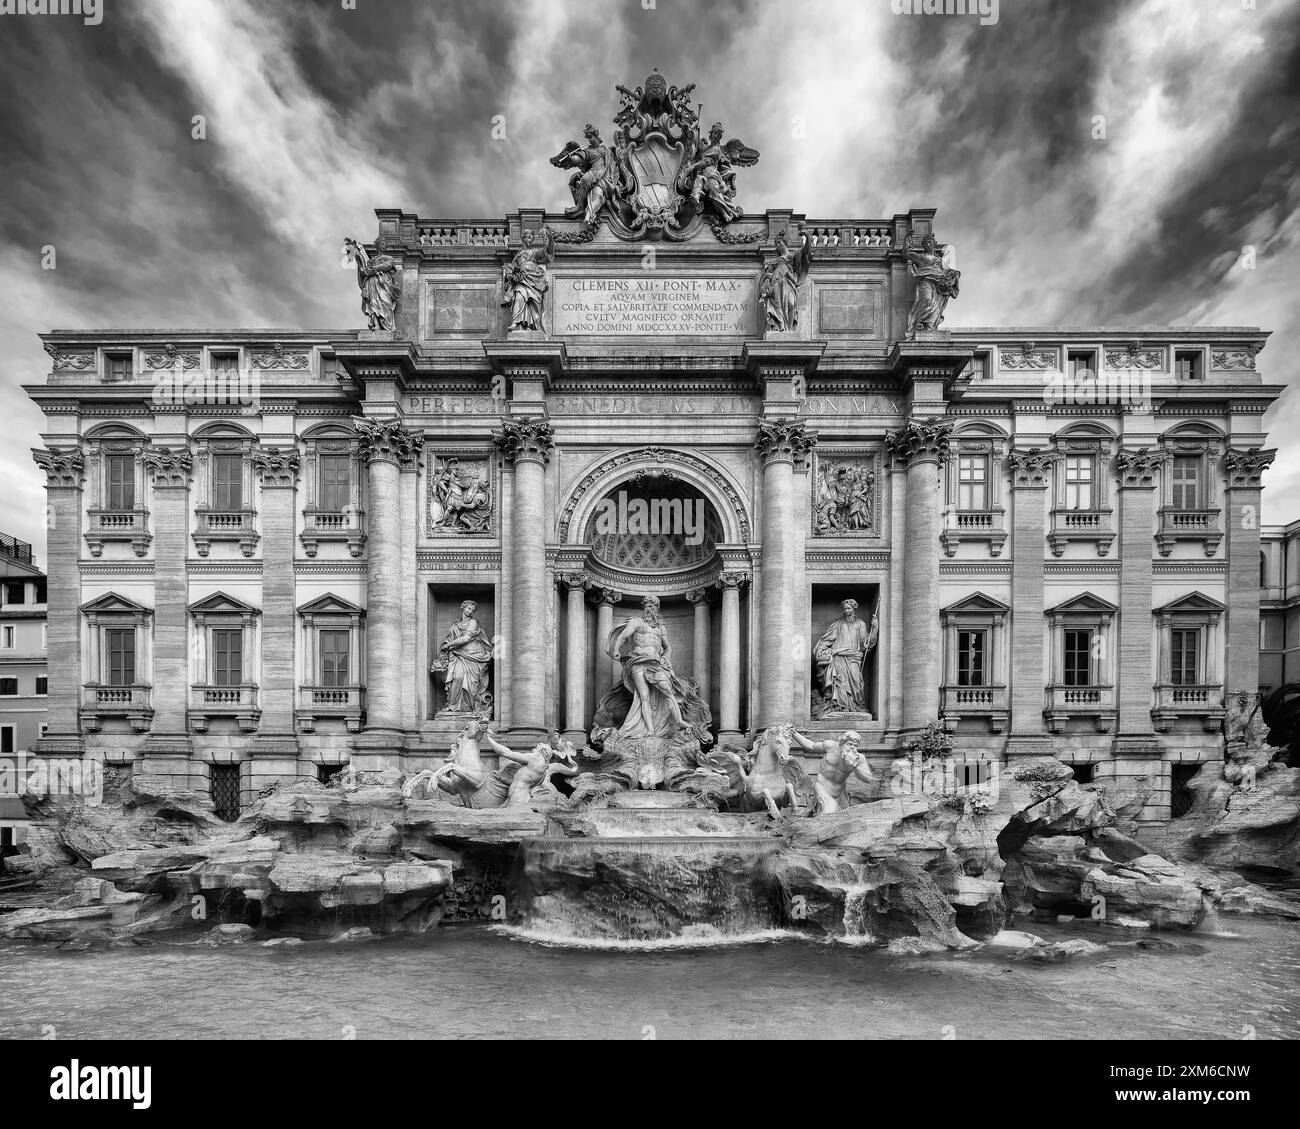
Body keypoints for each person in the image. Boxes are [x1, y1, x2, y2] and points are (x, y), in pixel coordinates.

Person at [813, 599, 878, 716]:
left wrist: (875, 629)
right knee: (839, 683)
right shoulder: (838, 624)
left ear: (854, 608)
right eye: (845, 609)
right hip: (839, 657)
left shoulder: (860, 624)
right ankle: (840, 707)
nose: (847, 611)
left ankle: (857, 706)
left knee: (856, 682)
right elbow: (827, 639)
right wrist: (821, 649)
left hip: (853, 657)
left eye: (849, 608)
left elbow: (866, 643)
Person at [788, 728, 874, 813]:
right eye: (850, 744)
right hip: (822, 789)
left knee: (840, 821)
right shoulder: (831, 747)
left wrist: (855, 766)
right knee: (829, 815)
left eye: (855, 746)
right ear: (842, 743)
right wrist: (794, 733)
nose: (852, 748)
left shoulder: (859, 758)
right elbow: (810, 746)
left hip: (840, 795)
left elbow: (868, 778)